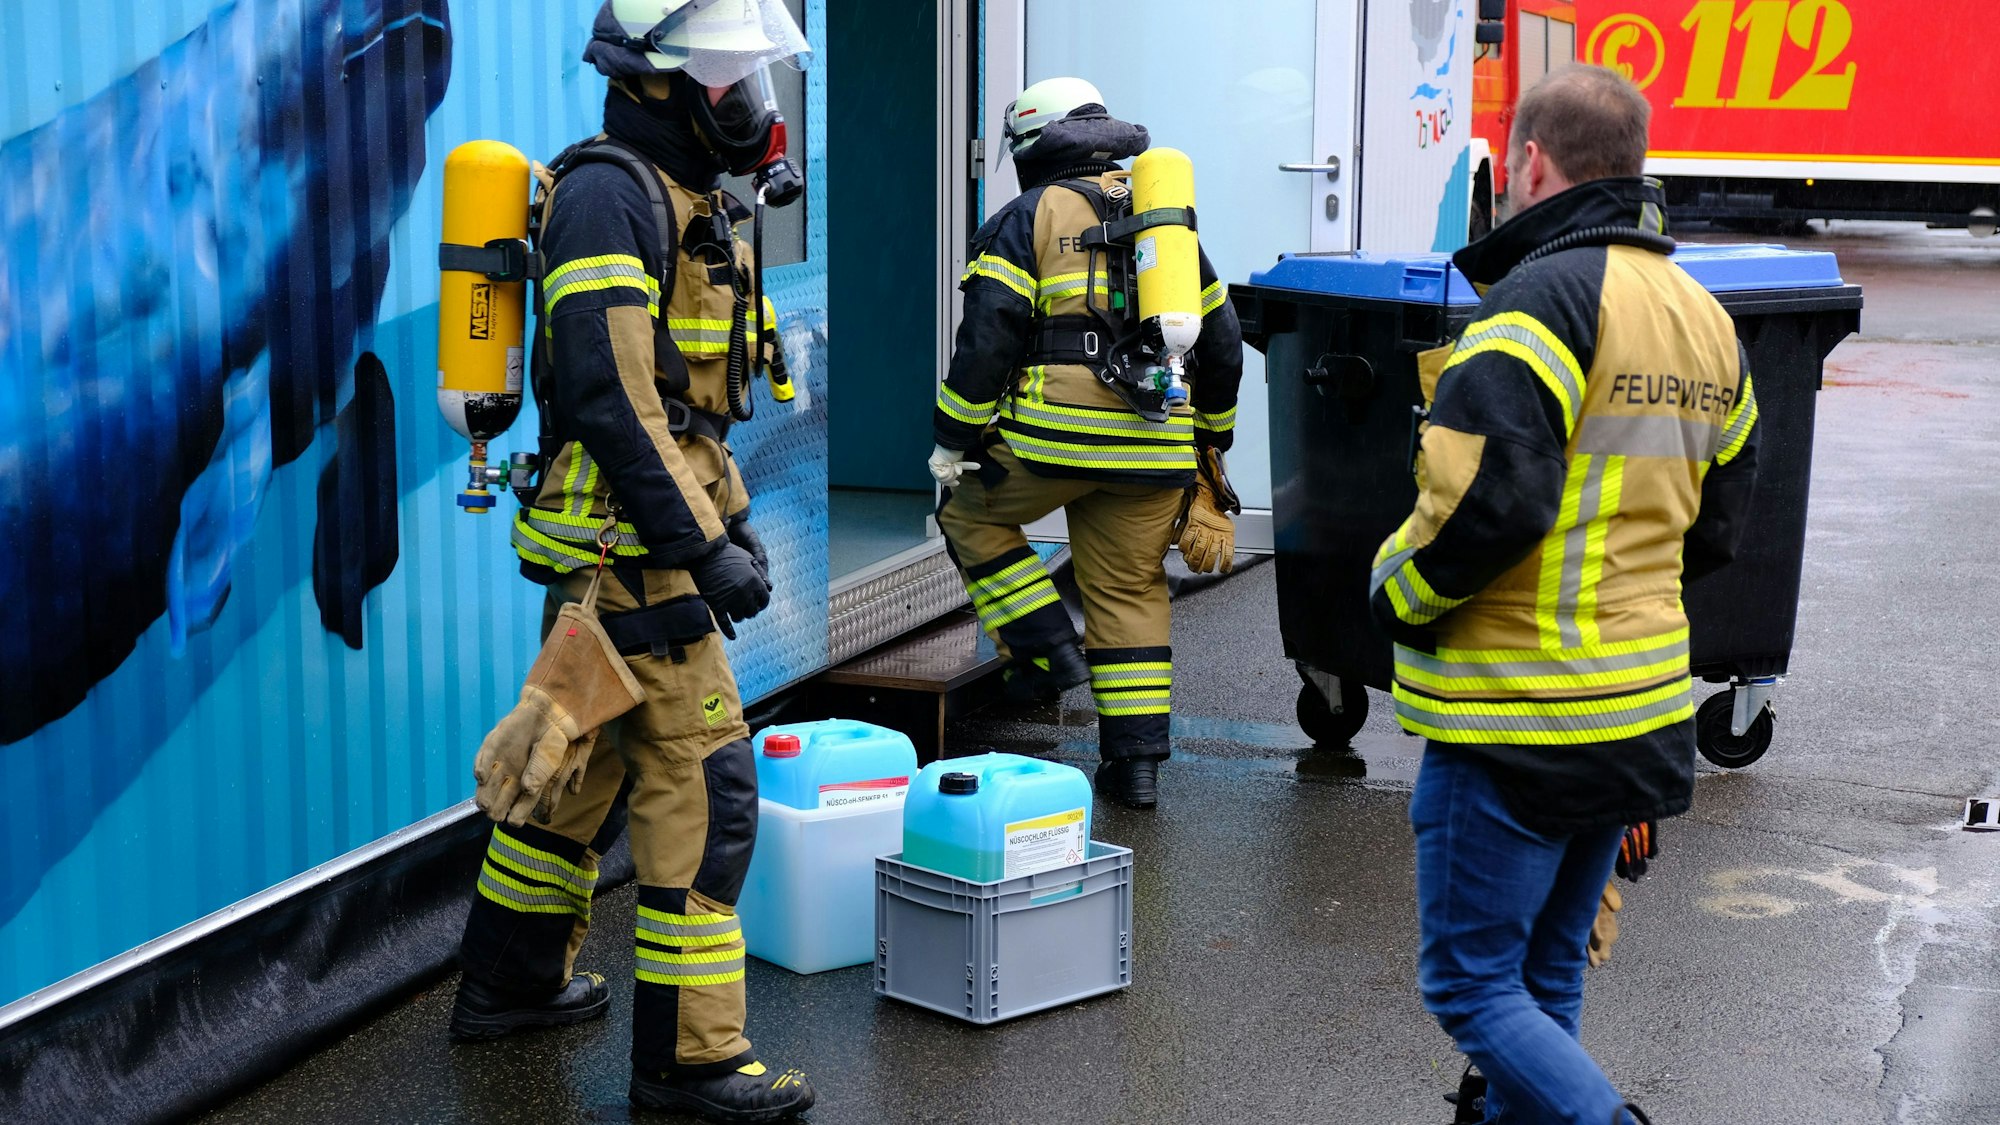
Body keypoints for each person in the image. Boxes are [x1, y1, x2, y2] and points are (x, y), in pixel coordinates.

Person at [446, 2, 817, 1120]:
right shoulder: (611, 197)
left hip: (626, 539)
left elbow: (682, 412)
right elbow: (609, 396)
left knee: (584, 780)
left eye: (747, 80)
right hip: (632, 550)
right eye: (720, 80)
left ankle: (507, 989)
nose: (745, 105)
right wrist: (703, 550)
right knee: (706, 791)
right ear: (653, 85)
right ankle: (689, 1066)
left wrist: (729, 515)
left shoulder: (673, 197)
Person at [1370, 65, 1759, 1125]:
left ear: (1529, 161)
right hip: (1634, 710)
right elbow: (1718, 527)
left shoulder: (1528, 308)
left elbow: (1481, 511)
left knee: (1470, 987)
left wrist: (1388, 597)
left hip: (1518, 715)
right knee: (1545, 981)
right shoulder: (1700, 318)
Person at [928, 77, 1245, 809]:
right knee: (1131, 591)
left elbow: (987, 341)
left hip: (1052, 442)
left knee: (968, 516)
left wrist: (954, 440)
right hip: (1154, 449)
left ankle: (1044, 649)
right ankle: (1135, 771)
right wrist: (1208, 452)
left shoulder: (1025, 217)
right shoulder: (1168, 228)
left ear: (1034, 149)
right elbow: (1223, 345)